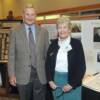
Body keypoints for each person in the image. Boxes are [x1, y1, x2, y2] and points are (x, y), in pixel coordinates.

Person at [8, 4, 49, 100]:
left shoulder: (44, 32)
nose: (30, 17)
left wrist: (50, 75)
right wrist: (11, 75)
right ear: (23, 15)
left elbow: (47, 54)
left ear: (35, 15)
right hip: (22, 75)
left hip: (41, 75)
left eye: (32, 14)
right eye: (27, 14)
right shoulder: (15, 31)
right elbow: (11, 55)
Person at [45, 16, 86, 100]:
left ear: (69, 29)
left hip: (72, 81)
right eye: (59, 27)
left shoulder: (76, 44)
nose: (62, 30)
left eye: (65, 27)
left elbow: (81, 67)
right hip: (56, 82)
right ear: (57, 30)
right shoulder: (52, 44)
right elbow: (47, 64)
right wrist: (50, 80)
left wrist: (71, 84)